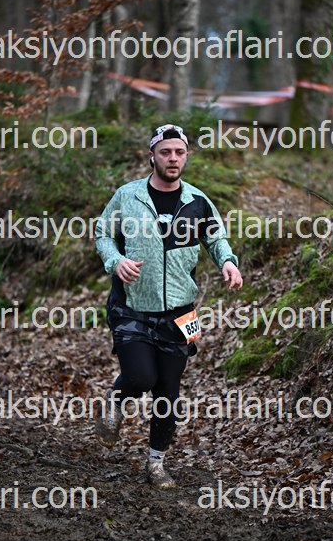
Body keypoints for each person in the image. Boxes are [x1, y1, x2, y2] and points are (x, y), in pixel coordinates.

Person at [95, 123, 243, 489]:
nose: (172, 158)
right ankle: (115, 401)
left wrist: (228, 262)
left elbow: (217, 239)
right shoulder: (128, 196)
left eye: (179, 152)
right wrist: (116, 260)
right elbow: (103, 233)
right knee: (141, 377)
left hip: (181, 311)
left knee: (168, 392)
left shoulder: (198, 201)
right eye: (165, 152)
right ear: (152, 156)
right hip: (131, 306)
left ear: (186, 156)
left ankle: (156, 463)